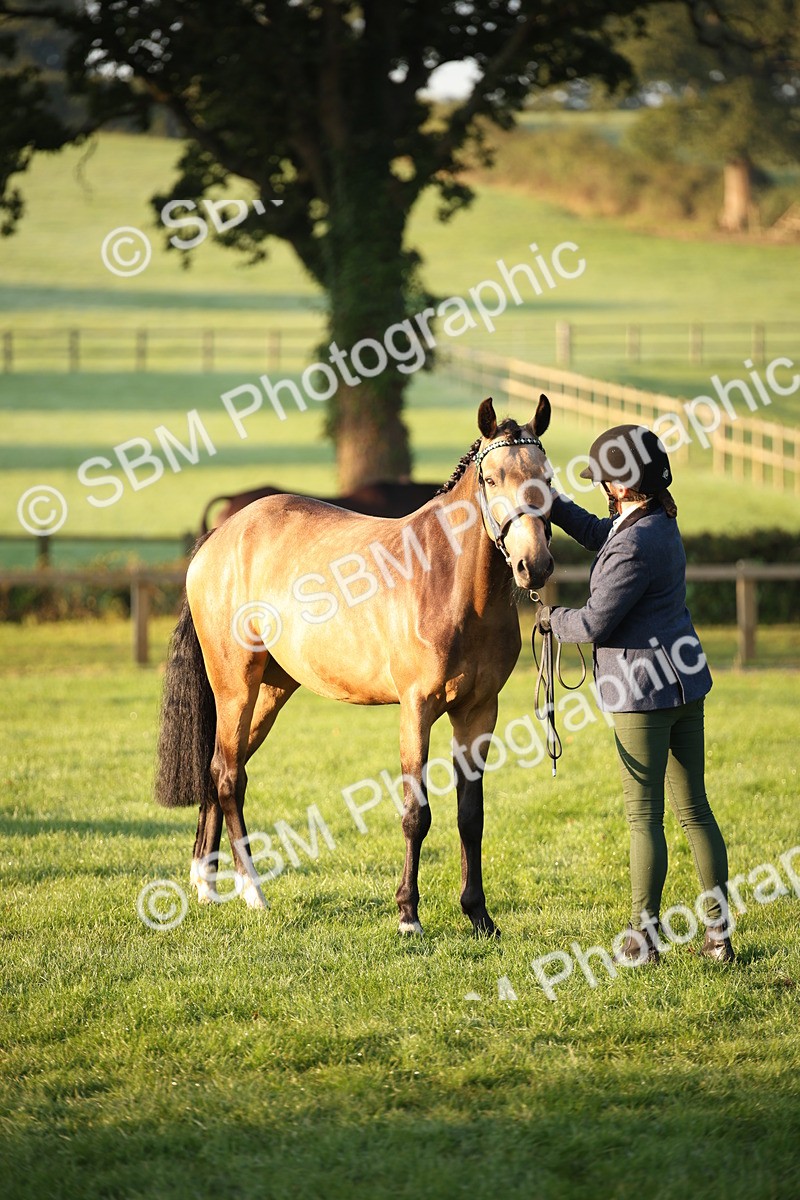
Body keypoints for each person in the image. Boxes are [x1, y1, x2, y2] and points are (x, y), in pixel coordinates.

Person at [536, 424, 734, 965]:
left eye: (603, 480)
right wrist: (554, 505)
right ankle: (718, 936)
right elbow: (607, 534)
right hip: (684, 684)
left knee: (643, 819)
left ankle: (642, 938)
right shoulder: (658, 523)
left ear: (621, 486)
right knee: (695, 811)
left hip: (641, 694)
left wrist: (553, 619)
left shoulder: (636, 543)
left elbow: (596, 622)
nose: (600, 487)